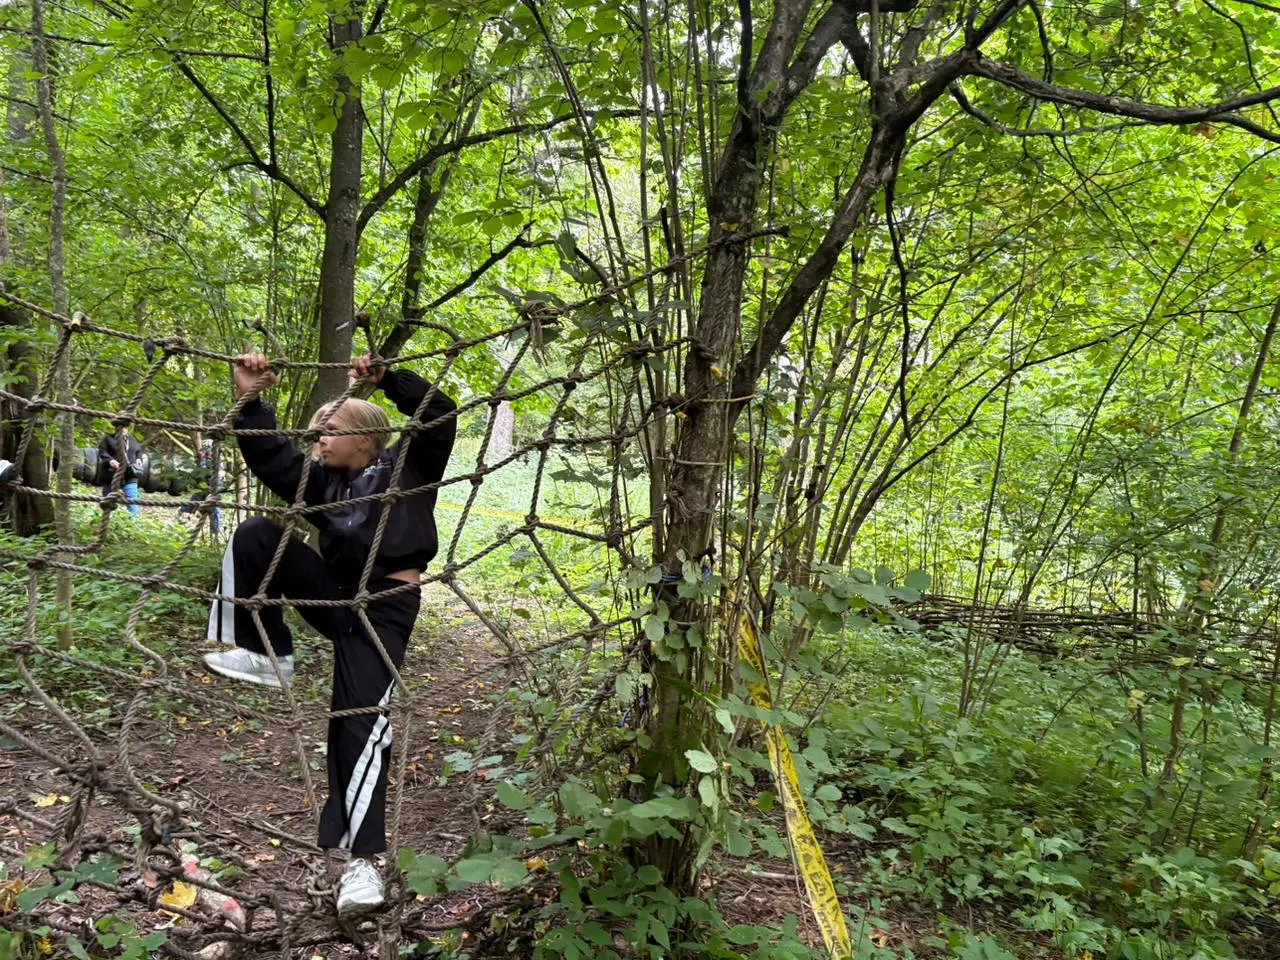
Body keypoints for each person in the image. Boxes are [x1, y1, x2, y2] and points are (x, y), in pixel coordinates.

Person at [201, 353, 457, 918]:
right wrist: (250, 401)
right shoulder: (324, 485)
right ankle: (270, 655)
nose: (317, 439)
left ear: (365, 438)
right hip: (337, 596)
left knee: (358, 725)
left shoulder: (407, 468)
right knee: (257, 535)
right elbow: (273, 459)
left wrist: (387, 380)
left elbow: (439, 412)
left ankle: (363, 866)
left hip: (385, 607)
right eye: (316, 432)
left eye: (329, 431)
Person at [98, 427, 146, 516]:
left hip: (129, 475)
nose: (124, 430)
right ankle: (108, 520)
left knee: (132, 501)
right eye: (122, 428)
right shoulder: (108, 438)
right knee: (109, 501)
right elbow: (102, 451)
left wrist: (139, 458)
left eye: (125, 428)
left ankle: (134, 522)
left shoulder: (131, 439)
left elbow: (138, 450)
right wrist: (110, 460)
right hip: (111, 475)